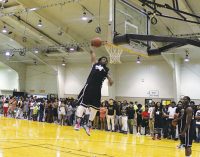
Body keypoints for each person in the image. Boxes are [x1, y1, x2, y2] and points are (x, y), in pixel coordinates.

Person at [74, 46, 113, 135]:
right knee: (82, 105)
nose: (104, 60)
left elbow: (111, 83)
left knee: (95, 109)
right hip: (89, 86)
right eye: (103, 59)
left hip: (97, 90)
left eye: (106, 59)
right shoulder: (95, 64)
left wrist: (110, 80)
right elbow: (93, 57)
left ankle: (88, 124)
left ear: (107, 62)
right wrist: (92, 50)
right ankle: (78, 123)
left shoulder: (107, 70)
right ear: (100, 60)